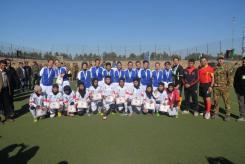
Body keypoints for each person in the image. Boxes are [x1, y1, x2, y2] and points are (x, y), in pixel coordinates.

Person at [212, 55, 232, 121]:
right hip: (216, 88)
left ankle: (228, 114)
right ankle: (216, 113)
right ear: (217, 60)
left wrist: (228, 86)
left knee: (226, 101)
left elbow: (229, 77)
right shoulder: (215, 68)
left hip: (224, 88)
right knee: (216, 101)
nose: (220, 60)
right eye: (219, 59)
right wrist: (213, 85)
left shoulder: (227, 67)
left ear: (223, 60)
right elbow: (212, 77)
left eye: (221, 59)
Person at [233, 57, 245, 121]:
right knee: (241, 104)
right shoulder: (239, 69)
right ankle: (242, 116)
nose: (244, 63)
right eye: (243, 61)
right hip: (240, 91)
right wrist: (236, 90)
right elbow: (235, 80)